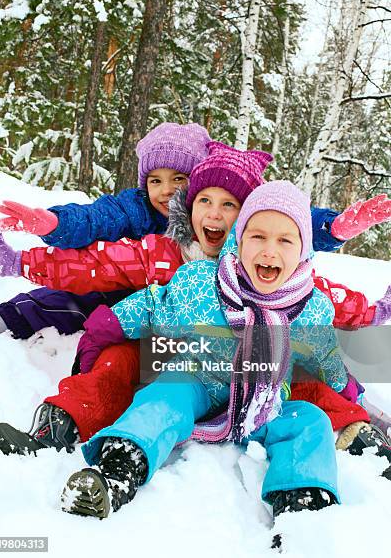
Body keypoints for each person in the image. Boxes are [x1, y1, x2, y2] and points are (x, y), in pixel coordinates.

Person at [0, 146, 390, 456]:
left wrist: (376, 313)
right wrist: (20, 261)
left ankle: (361, 439)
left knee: (305, 377)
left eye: (229, 204)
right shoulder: (165, 252)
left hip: (255, 370)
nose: (214, 214)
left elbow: (331, 302)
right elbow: (94, 266)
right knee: (118, 362)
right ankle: (59, 424)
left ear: (248, 217)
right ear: (189, 207)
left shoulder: (272, 267)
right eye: (204, 201)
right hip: (176, 360)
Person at [59, 181, 348, 544]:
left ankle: (303, 507)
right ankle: (119, 467)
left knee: (311, 421)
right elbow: (153, 305)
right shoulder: (201, 284)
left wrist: (347, 387)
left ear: (304, 251)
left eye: (285, 240)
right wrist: (106, 327)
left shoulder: (313, 307)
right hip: (197, 379)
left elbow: (326, 356)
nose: (269, 251)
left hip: (265, 399)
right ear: (239, 240)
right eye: (257, 236)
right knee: (164, 394)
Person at [0, 122, 211, 339]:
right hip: (125, 295)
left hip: (179, 318)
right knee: (80, 288)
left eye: (179, 179)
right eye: (155, 181)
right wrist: (57, 223)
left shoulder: (210, 221)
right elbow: (96, 218)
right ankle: (7, 318)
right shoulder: (136, 208)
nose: (166, 190)